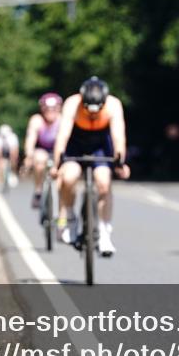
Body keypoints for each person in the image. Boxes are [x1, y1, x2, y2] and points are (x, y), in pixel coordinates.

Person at [51, 76, 130, 255]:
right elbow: (62, 135)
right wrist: (57, 164)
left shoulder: (113, 105)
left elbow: (118, 136)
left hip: (100, 145)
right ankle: (70, 218)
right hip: (76, 142)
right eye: (89, 110)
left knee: (103, 182)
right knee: (69, 177)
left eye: (97, 110)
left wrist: (120, 161)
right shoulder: (72, 104)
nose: (93, 114)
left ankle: (104, 232)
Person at [24, 92, 63, 208]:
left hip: (59, 150)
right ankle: (38, 190)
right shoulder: (37, 120)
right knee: (39, 161)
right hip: (43, 150)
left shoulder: (62, 120)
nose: (50, 112)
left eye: (54, 109)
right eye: (47, 109)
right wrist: (29, 156)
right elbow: (30, 139)